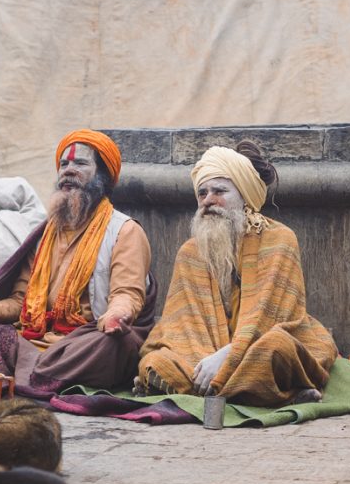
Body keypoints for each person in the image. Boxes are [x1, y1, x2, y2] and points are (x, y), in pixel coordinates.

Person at [0, 129, 156, 395]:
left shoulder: (124, 231)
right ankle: (35, 373)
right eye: (64, 164)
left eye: (80, 163)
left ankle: (22, 374)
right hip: (37, 338)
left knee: (110, 345)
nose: (68, 170)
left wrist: (115, 316)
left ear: (102, 176)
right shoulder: (46, 234)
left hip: (83, 340)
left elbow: (127, 293)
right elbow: (21, 302)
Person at [137, 141, 338, 406]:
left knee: (277, 349)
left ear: (244, 197)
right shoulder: (190, 251)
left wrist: (227, 355)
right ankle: (261, 393)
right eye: (202, 193)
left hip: (256, 345)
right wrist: (204, 358)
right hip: (203, 354)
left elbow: (272, 317)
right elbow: (180, 324)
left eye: (219, 191)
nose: (208, 200)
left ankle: (219, 390)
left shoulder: (280, 239)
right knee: (155, 363)